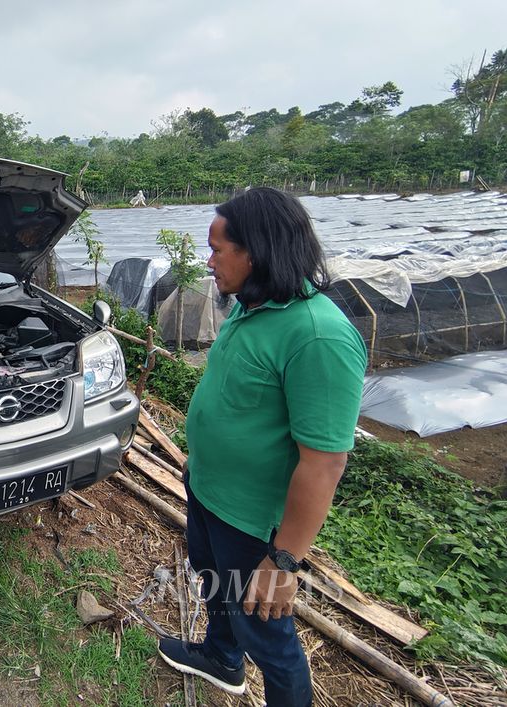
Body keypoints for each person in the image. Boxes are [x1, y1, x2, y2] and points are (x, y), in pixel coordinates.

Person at [158, 188, 367, 706]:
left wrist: (285, 560)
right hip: (209, 489)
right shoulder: (254, 306)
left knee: (269, 638)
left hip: (252, 521)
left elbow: (325, 463)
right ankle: (222, 660)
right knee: (213, 585)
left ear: (257, 251)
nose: (209, 262)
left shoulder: (318, 335)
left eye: (217, 249)